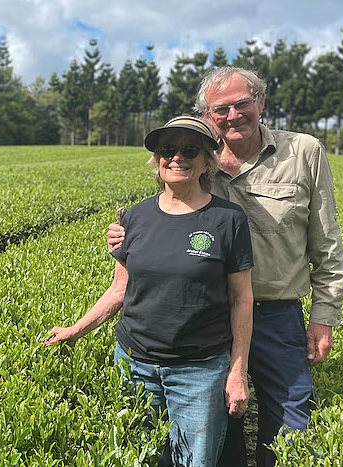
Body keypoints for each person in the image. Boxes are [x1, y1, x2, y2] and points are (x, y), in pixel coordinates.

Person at [108, 67, 343, 467]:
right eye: (221, 109)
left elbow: (326, 240)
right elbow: (167, 218)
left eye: (242, 104)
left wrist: (324, 316)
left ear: (260, 103)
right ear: (207, 114)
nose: (233, 115)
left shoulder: (304, 152)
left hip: (276, 312)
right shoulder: (193, 154)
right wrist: (123, 236)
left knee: (290, 422)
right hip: (209, 316)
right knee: (218, 424)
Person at [47, 116, 254, 467]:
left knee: (195, 461)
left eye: (190, 150)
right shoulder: (136, 217)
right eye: (167, 150)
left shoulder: (228, 219)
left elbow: (242, 299)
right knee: (137, 457)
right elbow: (119, 290)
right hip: (134, 363)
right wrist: (75, 330)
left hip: (199, 372)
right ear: (157, 160)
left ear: (207, 161)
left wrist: (237, 371)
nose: (177, 157)